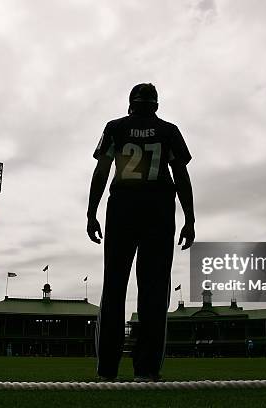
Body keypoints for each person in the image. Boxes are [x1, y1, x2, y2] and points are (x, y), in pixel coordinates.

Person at [87, 83, 195, 382]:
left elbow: (102, 170)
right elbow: (181, 175)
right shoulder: (169, 131)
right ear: (156, 106)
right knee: (154, 290)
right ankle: (146, 369)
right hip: (158, 211)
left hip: (122, 208)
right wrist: (190, 218)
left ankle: (107, 368)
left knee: (114, 287)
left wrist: (91, 212)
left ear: (130, 104)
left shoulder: (115, 127)